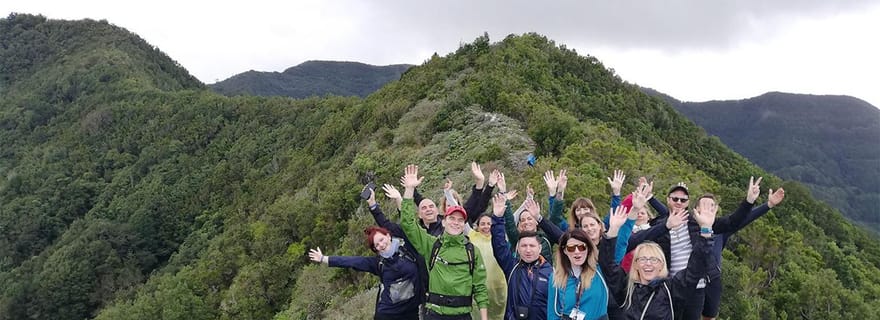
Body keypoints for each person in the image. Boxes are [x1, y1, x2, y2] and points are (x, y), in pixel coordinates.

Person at [633, 178, 786, 320]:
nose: (679, 202)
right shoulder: (661, 224)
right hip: (671, 287)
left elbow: (733, 222)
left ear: (688, 203)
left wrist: (749, 201)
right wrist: (645, 201)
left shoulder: (698, 224)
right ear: (668, 200)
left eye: (683, 199)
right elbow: (639, 239)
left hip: (697, 287)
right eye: (675, 198)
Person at [600, 189, 716, 319]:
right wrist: (613, 230)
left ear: (662, 265)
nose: (648, 264)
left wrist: (706, 230)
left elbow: (695, 269)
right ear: (636, 264)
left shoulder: (671, 290)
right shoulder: (626, 288)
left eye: (654, 260)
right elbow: (607, 265)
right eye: (642, 259)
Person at [400, 164, 489, 320]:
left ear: (464, 224)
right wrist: (409, 190)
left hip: (463, 315)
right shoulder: (431, 245)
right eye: (452, 219)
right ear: (443, 222)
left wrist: (484, 318)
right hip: (435, 314)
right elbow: (408, 224)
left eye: (460, 220)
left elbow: (480, 288)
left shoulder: (472, 251)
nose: (456, 222)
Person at [308, 226, 422, 319]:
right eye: (376, 245)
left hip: (411, 311)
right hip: (389, 314)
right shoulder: (378, 264)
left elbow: (411, 225)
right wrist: (324, 258)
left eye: (381, 240)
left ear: (388, 236)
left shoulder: (408, 251)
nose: (381, 245)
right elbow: (353, 261)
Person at [490, 194, 553, 320]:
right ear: (518, 248)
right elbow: (499, 245)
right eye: (524, 246)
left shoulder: (551, 272)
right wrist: (497, 219)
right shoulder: (512, 267)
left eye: (532, 246)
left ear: (539, 248)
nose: (528, 250)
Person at [547, 227, 610, 320]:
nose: (577, 251)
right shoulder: (556, 277)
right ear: (565, 251)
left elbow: (618, 248)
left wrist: (620, 225)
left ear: (588, 248)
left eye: (581, 247)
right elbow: (552, 314)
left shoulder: (600, 271)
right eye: (571, 248)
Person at [470, 212, 509, 320]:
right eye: (482, 224)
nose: (486, 226)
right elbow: (460, 216)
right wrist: (448, 195)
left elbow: (512, 219)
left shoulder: (499, 238)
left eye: (489, 224)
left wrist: (526, 202)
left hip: (499, 288)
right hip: (479, 288)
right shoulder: (473, 236)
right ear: (477, 226)